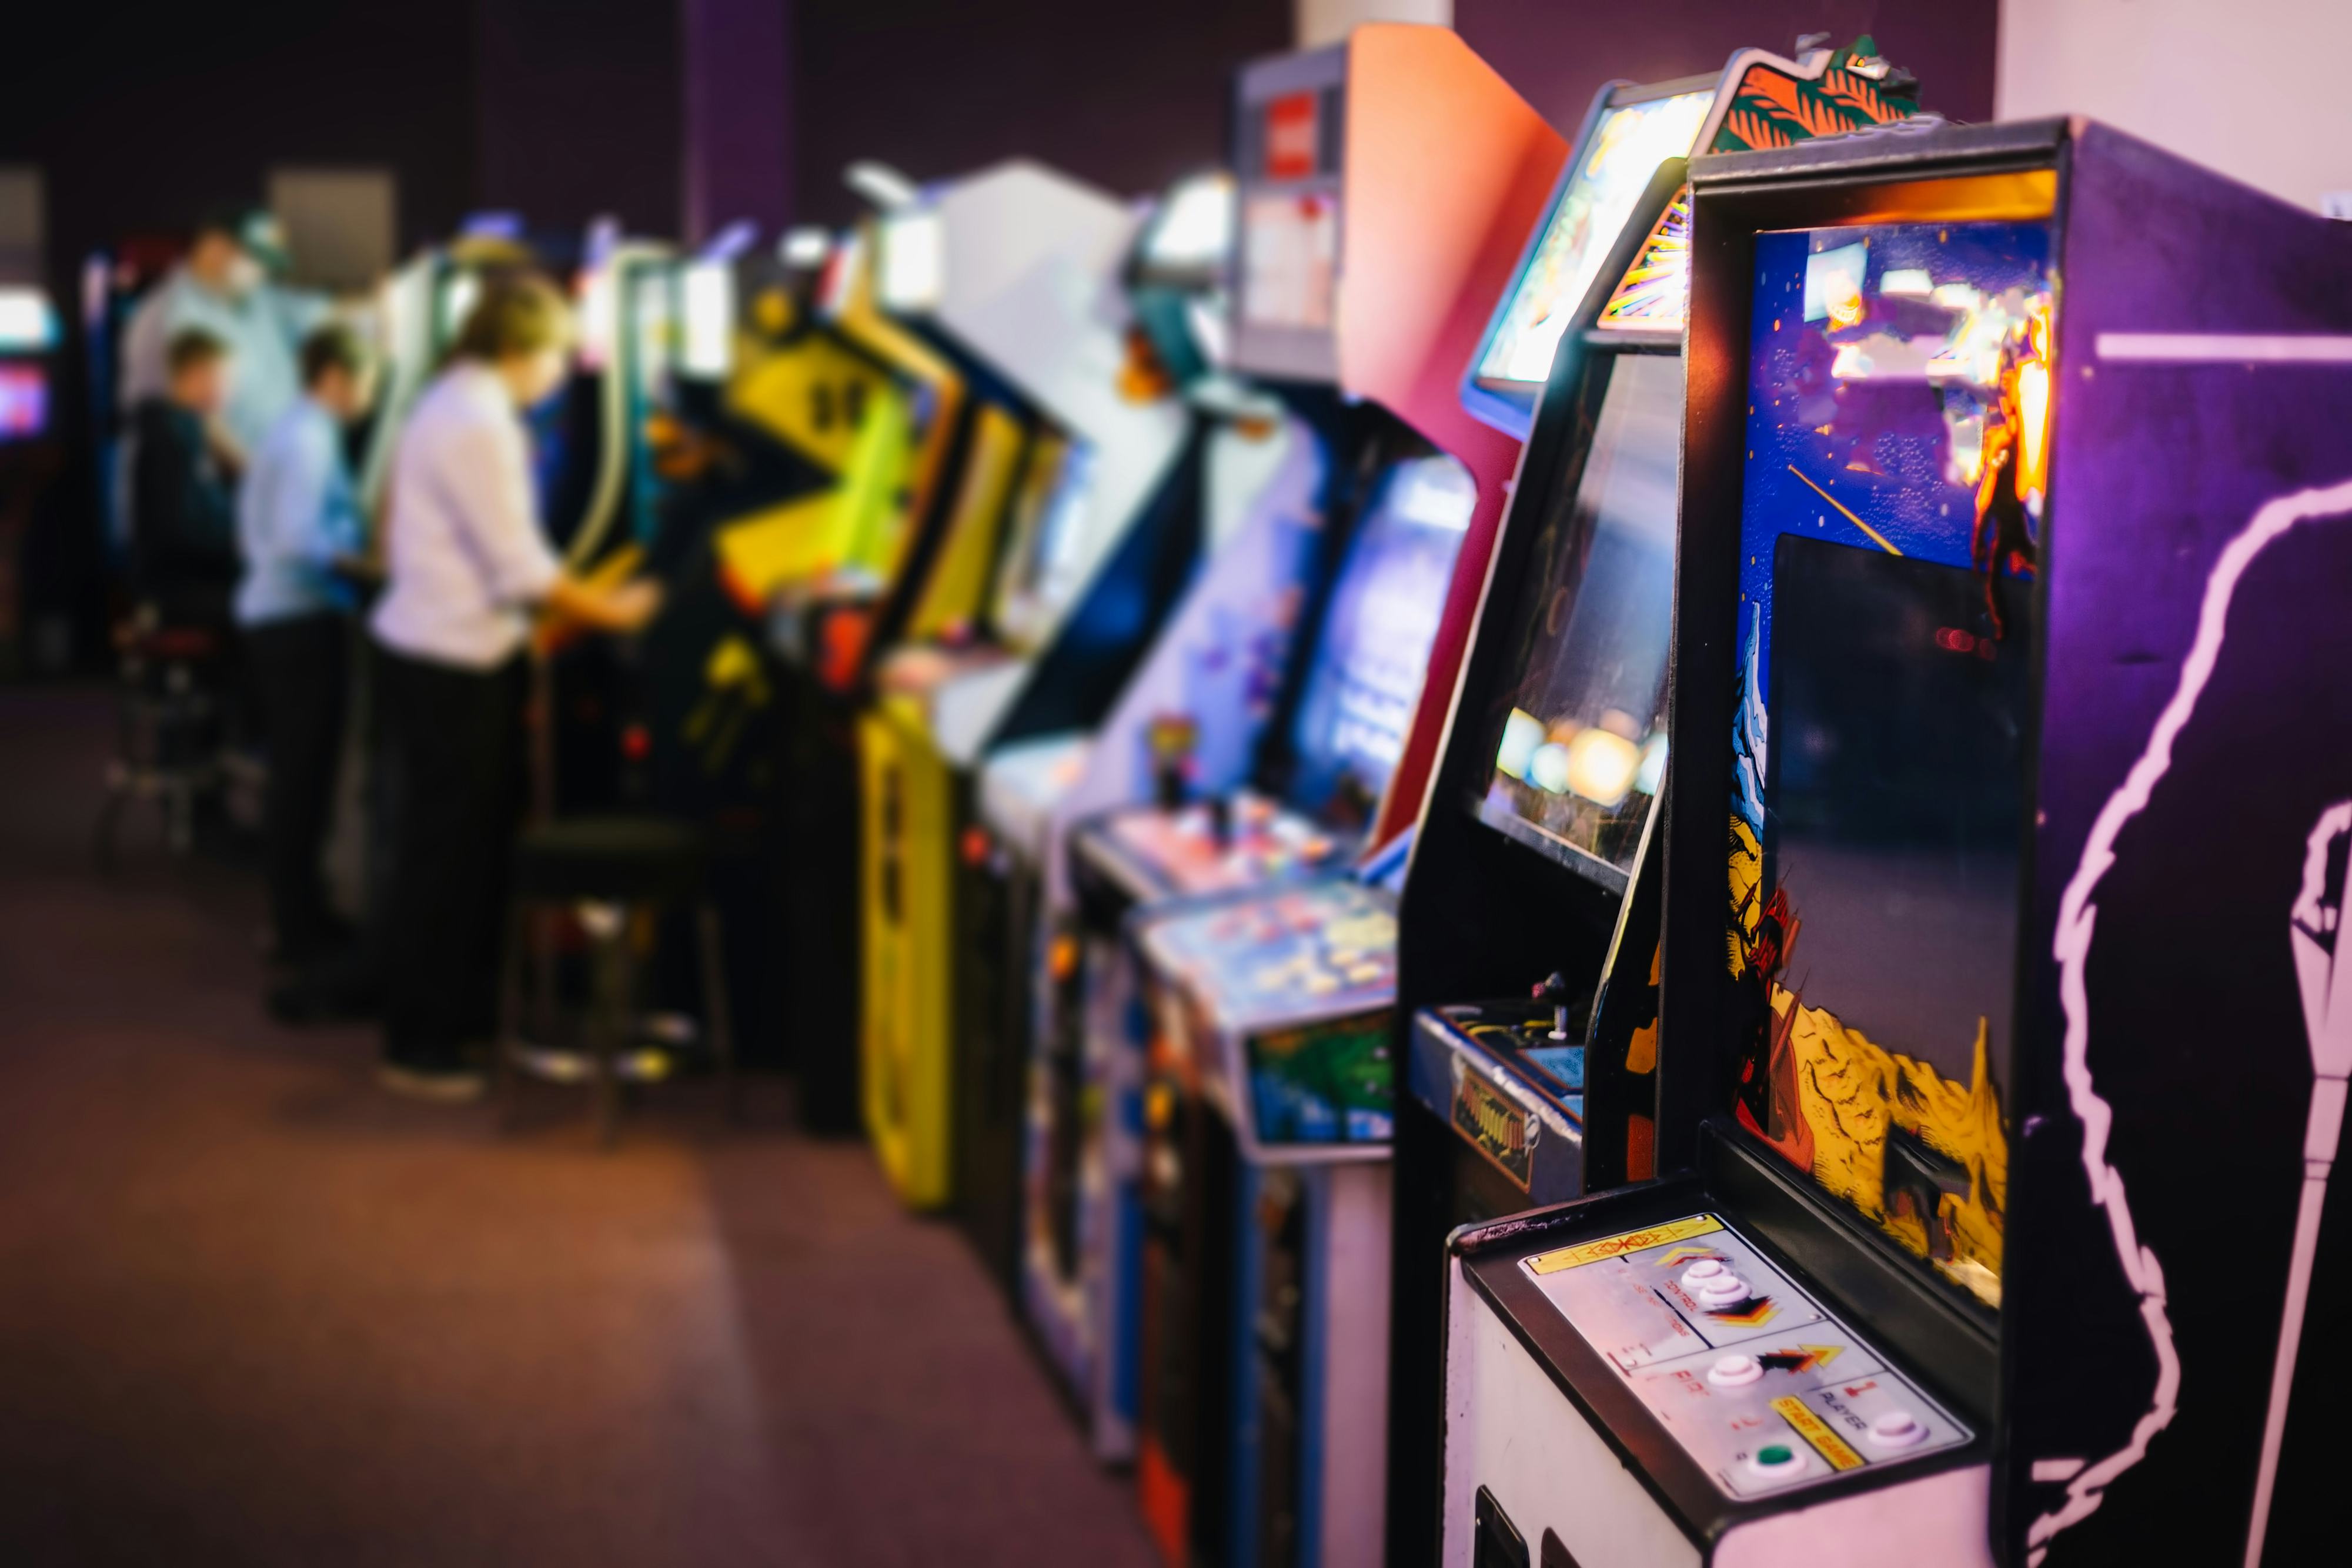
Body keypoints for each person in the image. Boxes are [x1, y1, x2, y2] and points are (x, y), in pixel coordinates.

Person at [369, 273, 660, 1100]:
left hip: (446, 651)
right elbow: (523, 566)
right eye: (558, 353)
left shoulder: (457, 404)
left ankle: (456, 1019)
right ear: (517, 349)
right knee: (446, 855)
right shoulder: (477, 421)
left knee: (457, 848)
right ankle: (422, 1039)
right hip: (450, 660)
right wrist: (616, 608)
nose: (562, 372)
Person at [237, 322, 377, 981]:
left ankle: (303, 916)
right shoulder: (310, 436)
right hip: (295, 619)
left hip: (282, 617)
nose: (373, 395)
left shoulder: (298, 428)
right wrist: (362, 565)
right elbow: (299, 541)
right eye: (369, 380)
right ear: (335, 378)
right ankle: (298, 930)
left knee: (304, 777)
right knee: (302, 778)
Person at [121, 206, 320, 467]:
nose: (262, 271)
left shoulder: (249, 299)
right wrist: (256, 480)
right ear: (215, 248)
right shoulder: (174, 314)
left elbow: (320, 313)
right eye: (255, 258)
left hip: (270, 478)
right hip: (210, 489)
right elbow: (199, 418)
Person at [130, 326, 240, 627]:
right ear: (196, 374)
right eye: (223, 378)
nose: (228, 390)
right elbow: (178, 532)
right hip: (179, 586)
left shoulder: (191, 428)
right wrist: (242, 547)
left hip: (195, 576)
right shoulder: (170, 436)